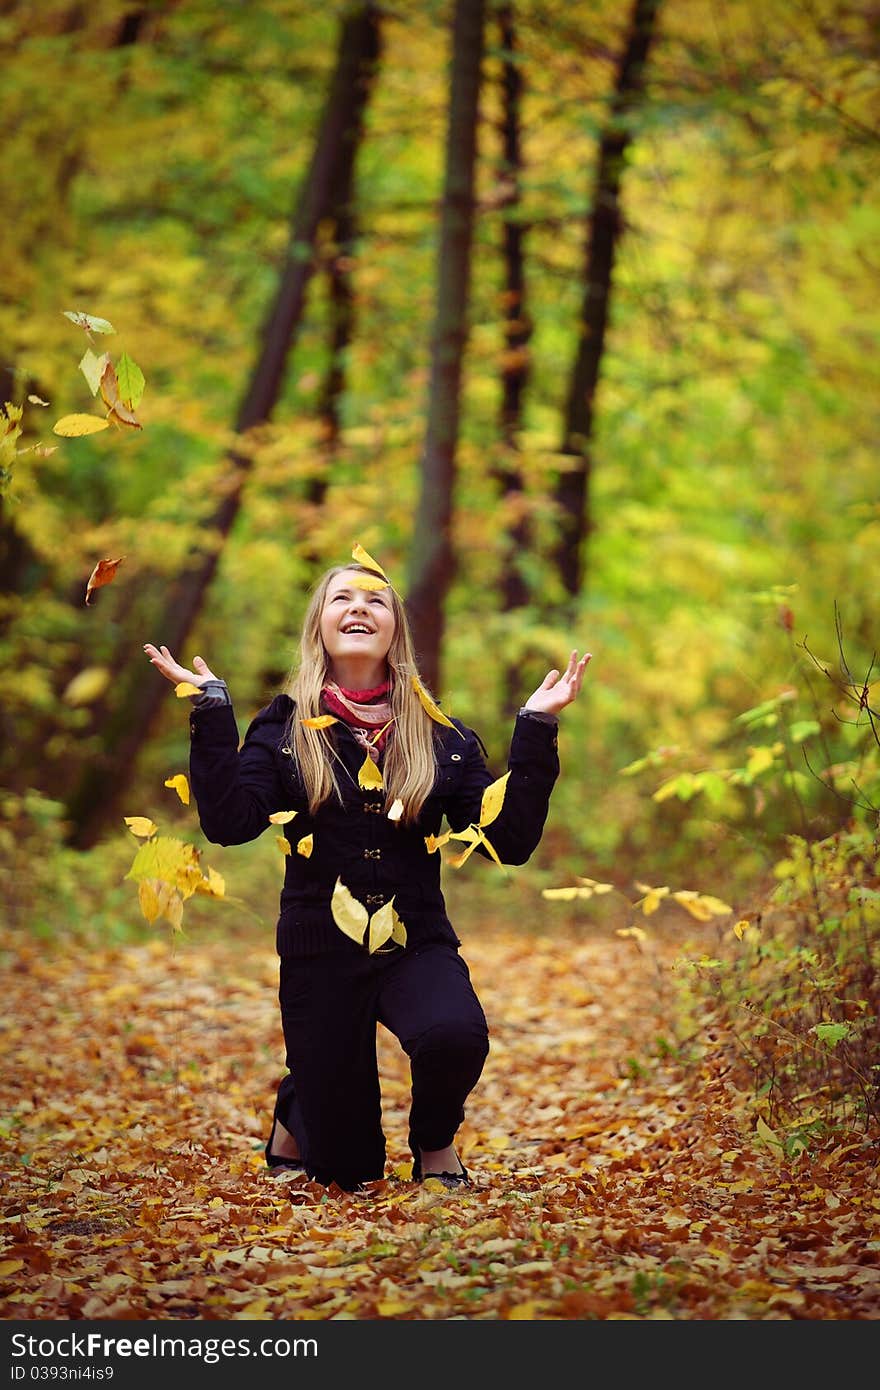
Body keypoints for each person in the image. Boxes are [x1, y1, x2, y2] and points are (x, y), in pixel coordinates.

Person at [144, 557, 590, 1193]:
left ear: (395, 631)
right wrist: (211, 709)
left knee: (454, 1036)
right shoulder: (283, 728)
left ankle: (435, 1141)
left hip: (413, 940)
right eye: (341, 598)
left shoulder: (442, 737)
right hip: (320, 947)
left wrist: (537, 729)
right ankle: (303, 1100)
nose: (358, 607)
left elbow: (507, 841)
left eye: (375, 600)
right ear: (319, 625)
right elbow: (231, 823)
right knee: (348, 1173)